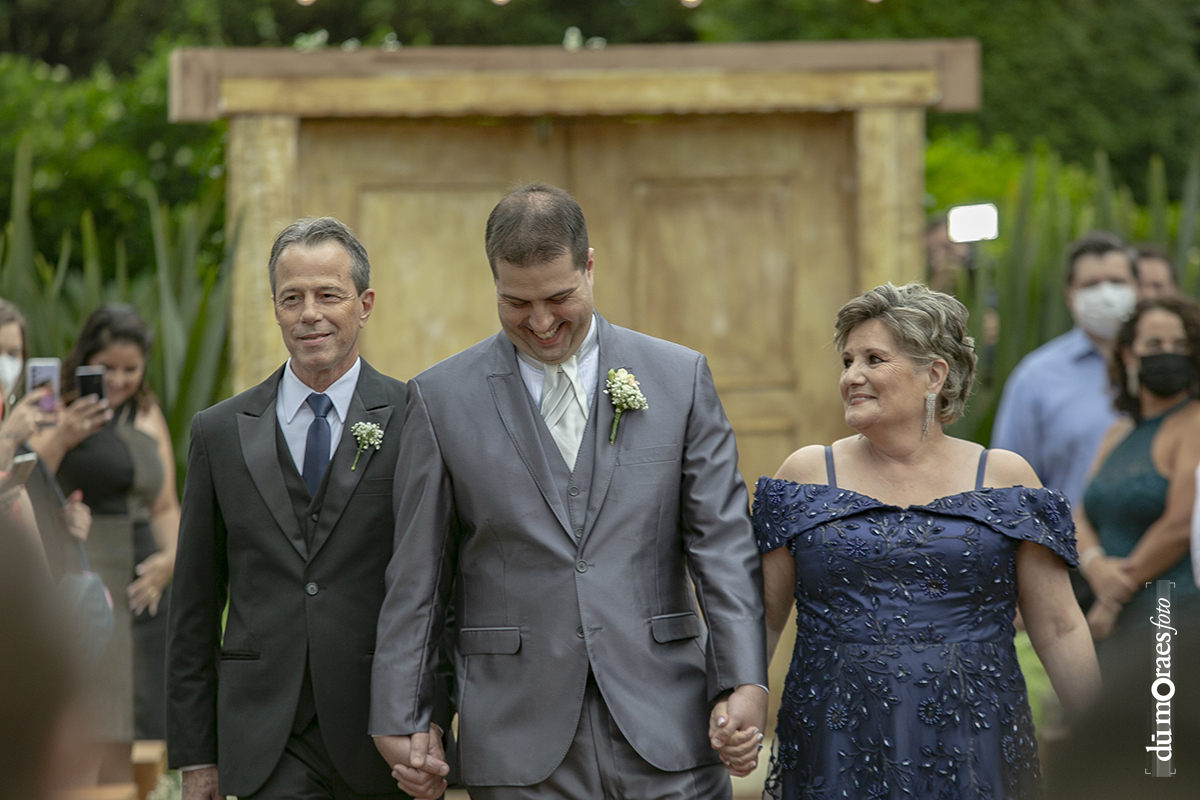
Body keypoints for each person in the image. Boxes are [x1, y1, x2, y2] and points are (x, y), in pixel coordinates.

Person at [370, 183, 769, 799]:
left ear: (590, 265)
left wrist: (744, 677)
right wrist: (405, 713)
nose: (542, 322)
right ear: (493, 283)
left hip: (665, 718)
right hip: (515, 733)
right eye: (516, 303)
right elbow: (419, 577)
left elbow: (720, 543)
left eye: (560, 297)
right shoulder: (439, 399)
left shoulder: (678, 377)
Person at [754, 283, 1100, 799]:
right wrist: (738, 701)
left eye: (874, 359)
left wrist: (1107, 736)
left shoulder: (1003, 476)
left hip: (974, 731)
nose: (852, 376)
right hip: (836, 730)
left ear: (934, 374)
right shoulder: (806, 472)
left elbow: (1058, 625)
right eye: (847, 361)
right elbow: (762, 613)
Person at [167, 217, 422, 800]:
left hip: (380, 732)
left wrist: (431, 716)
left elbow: (440, 584)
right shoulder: (220, 432)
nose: (310, 313)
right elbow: (195, 605)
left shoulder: (415, 417)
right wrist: (196, 755)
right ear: (275, 308)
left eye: (328, 295)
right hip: (262, 738)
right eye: (292, 298)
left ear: (365, 303)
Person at [28, 305, 174, 778]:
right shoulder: (53, 404)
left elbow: (165, 503)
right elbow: (22, 484)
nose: (119, 380)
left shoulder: (148, 412)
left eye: (131, 369)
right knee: (92, 722)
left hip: (147, 584)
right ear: (86, 358)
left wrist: (171, 559)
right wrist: (62, 438)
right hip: (91, 571)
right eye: (107, 367)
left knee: (144, 726)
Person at [1075, 297, 1200, 647]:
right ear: (1129, 355)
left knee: (1166, 704)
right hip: (1104, 609)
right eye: (1155, 344)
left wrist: (1114, 594)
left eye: (1180, 345)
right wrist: (1097, 567)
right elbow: (1081, 513)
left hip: (1169, 612)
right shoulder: (1118, 432)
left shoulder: (1195, 424)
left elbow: (1180, 524)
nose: (1168, 353)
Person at [991, 231, 1136, 508]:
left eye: (1117, 282)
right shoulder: (1036, 377)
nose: (1106, 294)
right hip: (1069, 546)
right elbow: (1009, 483)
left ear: (1136, 286)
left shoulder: (1176, 365)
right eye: (1091, 284)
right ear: (1070, 295)